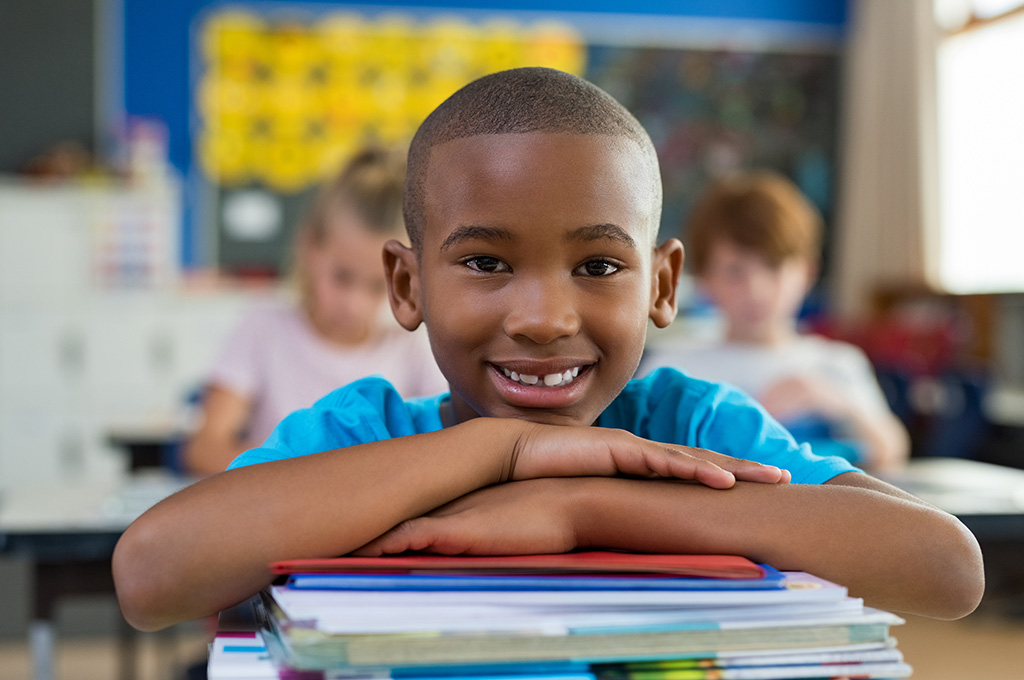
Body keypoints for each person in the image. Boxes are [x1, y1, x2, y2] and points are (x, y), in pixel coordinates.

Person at [113, 68, 983, 633]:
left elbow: (944, 567)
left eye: (600, 264)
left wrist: (586, 508)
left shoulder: (689, 425)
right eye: (486, 263)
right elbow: (152, 575)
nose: (543, 316)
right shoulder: (364, 439)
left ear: (661, 286)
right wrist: (503, 449)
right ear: (408, 287)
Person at [182, 148, 447, 475]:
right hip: (278, 511)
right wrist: (308, 480)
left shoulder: (410, 347)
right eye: (342, 277)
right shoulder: (263, 329)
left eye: (377, 287)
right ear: (310, 248)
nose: (354, 304)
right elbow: (205, 448)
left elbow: (445, 451)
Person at [640, 173, 909, 472]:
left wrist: (834, 402)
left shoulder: (836, 363)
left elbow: (891, 451)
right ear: (705, 279)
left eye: (773, 266)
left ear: (807, 271)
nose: (756, 290)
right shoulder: (672, 368)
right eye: (734, 271)